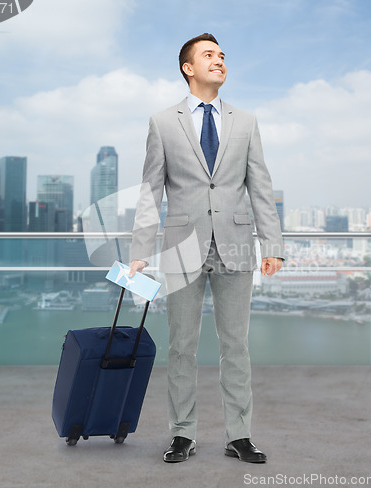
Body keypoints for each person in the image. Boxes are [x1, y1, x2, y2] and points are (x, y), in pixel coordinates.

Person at [129, 33, 284, 464]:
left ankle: (240, 435)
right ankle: (182, 433)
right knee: (182, 347)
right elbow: (150, 192)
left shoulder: (247, 121)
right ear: (188, 68)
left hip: (235, 246)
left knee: (236, 346)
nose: (219, 61)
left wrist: (272, 246)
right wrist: (141, 250)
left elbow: (261, 187)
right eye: (209, 55)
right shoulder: (162, 122)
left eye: (222, 56)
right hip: (180, 247)